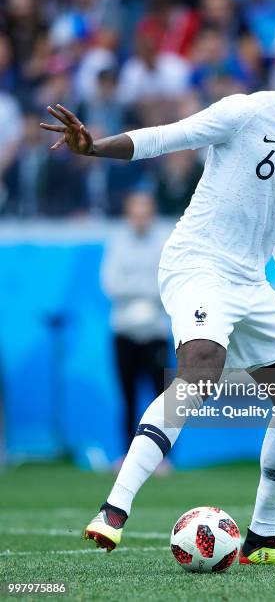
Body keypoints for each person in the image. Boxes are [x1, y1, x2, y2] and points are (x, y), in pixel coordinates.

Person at [41, 28, 275, 566]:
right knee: (201, 368)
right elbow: (165, 137)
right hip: (197, 262)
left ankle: (263, 540)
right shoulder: (244, 112)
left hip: (249, 281)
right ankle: (113, 510)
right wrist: (95, 148)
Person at [100, 191, 171, 447]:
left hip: (156, 331)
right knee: (127, 396)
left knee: (161, 398)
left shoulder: (166, 239)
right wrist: (146, 287)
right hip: (124, 329)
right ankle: (126, 452)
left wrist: (133, 286)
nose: (140, 219)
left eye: (145, 214)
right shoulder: (117, 241)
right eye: (135, 214)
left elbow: (167, 283)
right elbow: (110, 284)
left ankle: (163, 456)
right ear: (128, 215)